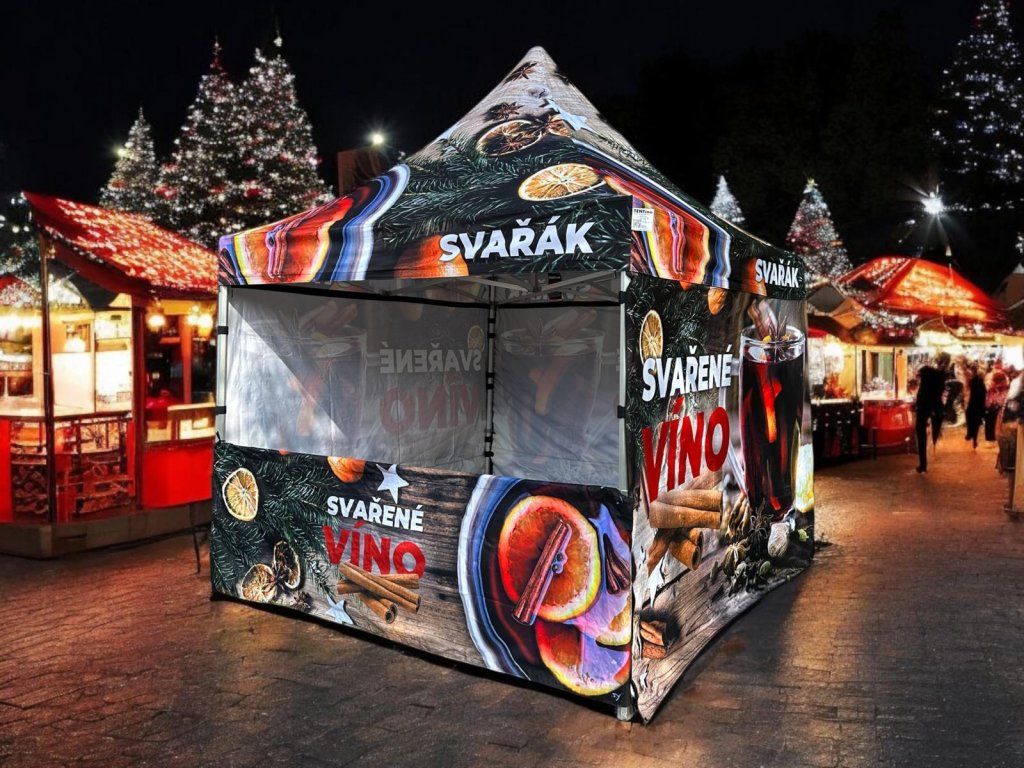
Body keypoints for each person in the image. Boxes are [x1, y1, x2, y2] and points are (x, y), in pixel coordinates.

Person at [915, 352, 950, 473]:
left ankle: (923, 463)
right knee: (933, 432)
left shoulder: (926, 371)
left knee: (921, 433)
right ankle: (930, 452)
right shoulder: (942, 375)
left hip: (924, 406)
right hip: (936, 407)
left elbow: (921, 387)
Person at [964, 364, 986, 449]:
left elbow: (968, 392)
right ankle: (974, 439)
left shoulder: (972, 381)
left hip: (973, 404)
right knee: (976, 424)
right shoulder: (981, 383)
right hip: (979, 406)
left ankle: (970, 434)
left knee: (970, 421)